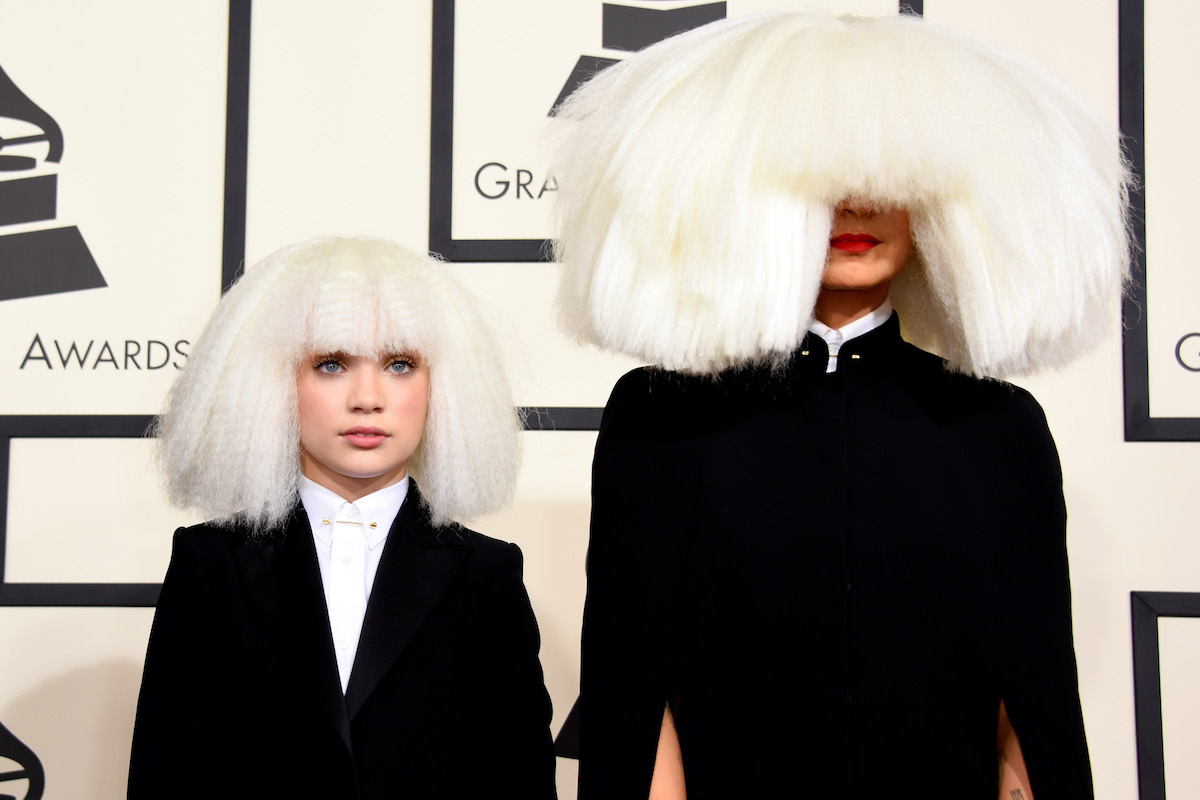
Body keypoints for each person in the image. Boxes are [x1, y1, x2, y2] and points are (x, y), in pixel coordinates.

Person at [550, 11, 1131, 800]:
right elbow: (633, 692)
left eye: (887, 179)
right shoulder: (660, 419)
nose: (856, 207)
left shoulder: (998, 430)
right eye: (821, 184)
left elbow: (1033, 700)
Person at [128, 237, 557, 799]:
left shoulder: (487, 573)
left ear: (443, 387)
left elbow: (517, 782)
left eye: (400, 364)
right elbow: (169, 776)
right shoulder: (211, 565)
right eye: (331, 364)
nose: (367, 397)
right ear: (273, 383)